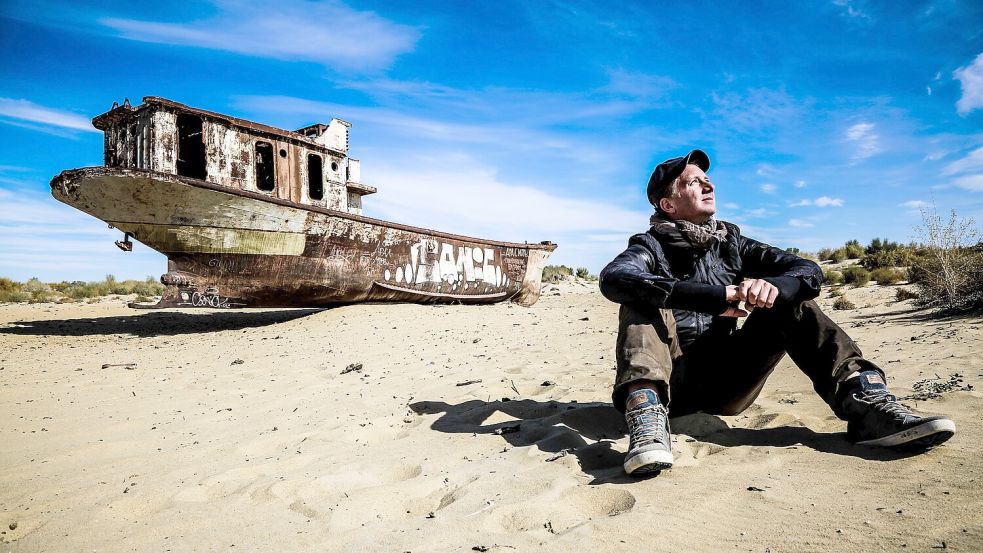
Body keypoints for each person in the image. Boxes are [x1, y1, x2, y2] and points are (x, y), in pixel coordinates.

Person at [598, 149, 956, 476]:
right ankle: (646, 421)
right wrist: (714, 296)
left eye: (708, 179)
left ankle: (867, 406)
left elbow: (807, 271)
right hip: (672, 388)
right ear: (669, 205)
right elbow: (615, 278)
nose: (708, 183)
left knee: (791, 300)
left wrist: (775, 288)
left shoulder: (732, 243)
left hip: (728, 383)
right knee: (639, 297)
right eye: (693, 181)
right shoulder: (649, 246)